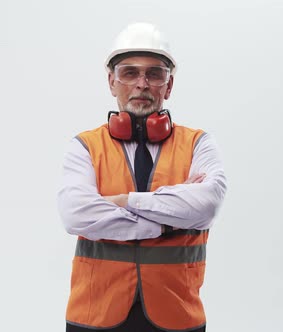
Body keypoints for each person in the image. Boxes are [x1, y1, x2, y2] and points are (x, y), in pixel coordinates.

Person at [57, 22, 227, 332]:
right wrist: (167, 220)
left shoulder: (198, 143)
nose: (142, 84)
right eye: (130, 73)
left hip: (178, 313)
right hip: (95, 314)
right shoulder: (85, 146)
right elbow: (76, 215)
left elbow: (206, 207)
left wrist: (124, 202)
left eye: (154, 74)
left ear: (169, 85)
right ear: (112, 82)